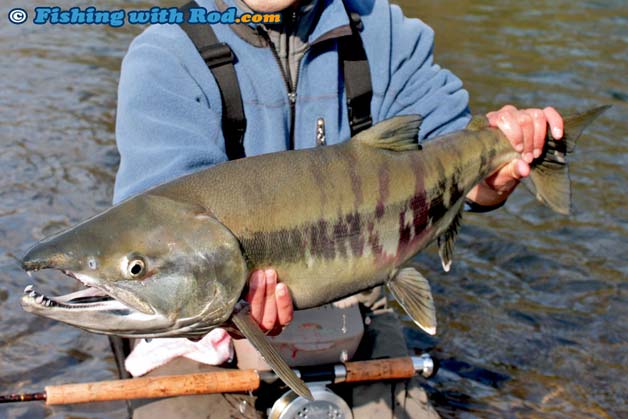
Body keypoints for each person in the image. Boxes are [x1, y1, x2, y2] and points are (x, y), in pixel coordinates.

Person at [112, 0, 564, 416]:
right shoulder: (167, 55)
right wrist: (223, 311)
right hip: (205, 328)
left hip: (359, 300)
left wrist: (496, 177)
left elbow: (455, 162)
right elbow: (158, 249)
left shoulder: (383, 32)